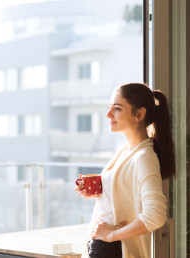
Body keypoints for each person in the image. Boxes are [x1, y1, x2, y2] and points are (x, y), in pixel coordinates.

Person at [74, 83, 176, 258]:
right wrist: (101, 189)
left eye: (117, 108)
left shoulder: (143, 156)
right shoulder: (126, 151)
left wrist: (111, 234)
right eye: (109, 107)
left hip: (114, 250)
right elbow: (125, 190)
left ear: (139, 114)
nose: (108, 114)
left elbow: (155, 216)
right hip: (104, 247)